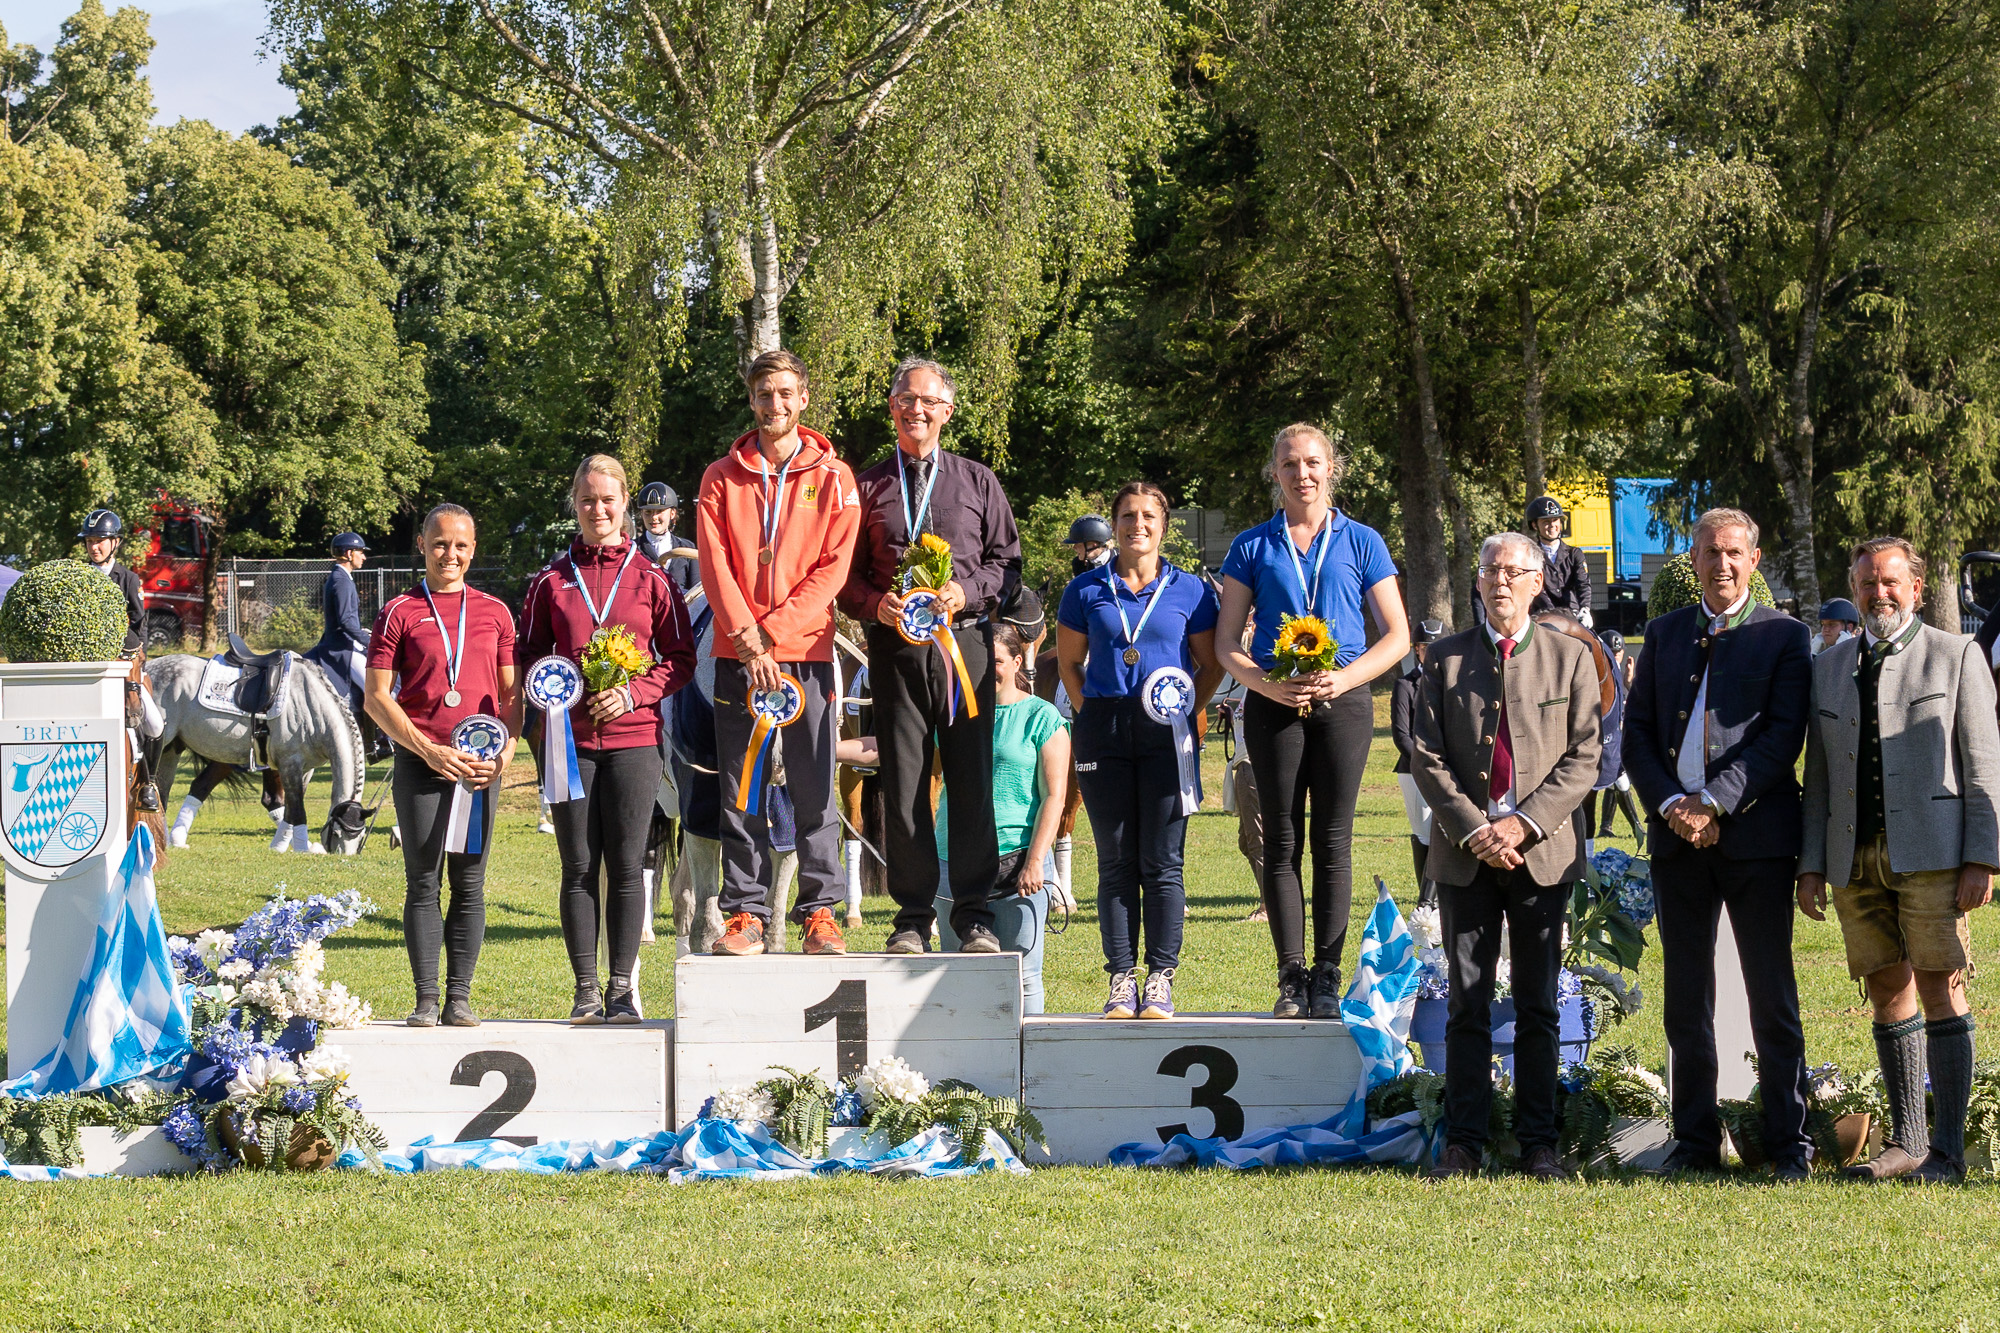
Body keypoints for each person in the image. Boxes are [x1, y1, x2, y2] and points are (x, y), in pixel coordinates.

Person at [1798, 536, 2000, 1183]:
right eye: (1866, 584)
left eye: (1890, 582)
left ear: (1914, 587)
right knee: (1886, 988)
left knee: (1940, 986)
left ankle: (1946, 1151)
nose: (1877, 593)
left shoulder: (1956, 655)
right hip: (1854, 859)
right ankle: (1906, 1142)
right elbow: (1820, 777)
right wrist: (1810, 864)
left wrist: (1982, 857)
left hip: (1936, 856)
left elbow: (1983, 764)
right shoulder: (1828, 665)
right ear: (1854, 590)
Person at [1624, 507, 1814, 1179]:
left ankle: (1789, 1144)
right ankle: (1695, 1142)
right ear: (1694, 560)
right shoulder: (1664, 633)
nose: (1723, 563)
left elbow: (1782, 736)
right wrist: (1674, 803)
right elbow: (1637, 732)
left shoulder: (1787, 638)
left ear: (1755, 559)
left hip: (1756, 840)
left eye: (1735, 552)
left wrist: (1715, 801)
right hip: (1678, 843)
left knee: (1772, 995)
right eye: (1710, 552)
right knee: (1686, 999)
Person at [1410, 532, 1603, 1179]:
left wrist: (1523, 824)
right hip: (1466, 857)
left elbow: (1584, 757)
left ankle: (1538, 1142)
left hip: (1540, 855)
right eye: (1490, 569)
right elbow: (1426, 755)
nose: (1499, 580)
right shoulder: (1444, 658)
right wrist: (1475, 827)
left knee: (1539, 1004)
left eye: (1513, 571)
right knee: (1466, 1002)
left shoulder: (1569, 658)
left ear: (1539, 579)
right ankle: (1463, 1140)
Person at [1215, 423, 1411, 1017]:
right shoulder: (1251, 546)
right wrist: (1266, 684)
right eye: (1289, 463)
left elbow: (1397, 635)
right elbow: (1227, 644)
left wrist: (1345, 679)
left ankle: (1326, 975)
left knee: (1332, 841)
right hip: (1274, 707)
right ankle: (1289, 977)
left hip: (1344, 701)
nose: (1302, 473)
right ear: (1274, 473)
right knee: (1280, 842)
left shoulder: (1362, 540)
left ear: (1332, 469)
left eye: (1313, 462)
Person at [837, 357, 1022, 954]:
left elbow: (1008, 565)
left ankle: (973, 915)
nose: (915, 409)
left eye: (927, 401)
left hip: (964, 647)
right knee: (903, 780)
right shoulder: (864, 487)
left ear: (947, 411)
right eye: (904, 399)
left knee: (971, 780)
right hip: (893, 648)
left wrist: (966, 591)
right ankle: (912, 917)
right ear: (892, 407)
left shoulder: (977, 481)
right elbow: (844, 578)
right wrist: (875, 603)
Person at [696, 348, 862, 958]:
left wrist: (771, 634)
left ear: (804, 398)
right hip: (738, 655)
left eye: (786, 393)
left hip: (807, 652)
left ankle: (820, 910)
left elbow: (833, 569)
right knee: (742, 786)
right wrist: (748, 639)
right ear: (752, 398)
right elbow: (714, 565)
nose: (776, 404)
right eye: (765, 393)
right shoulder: (720, 477)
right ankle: (746, 914)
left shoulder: (835, 477)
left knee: (816, 783)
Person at [522, 456, 697, 1023]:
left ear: (626, 504)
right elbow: (526, 658)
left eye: (608, 500)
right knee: (577, 865)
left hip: (634, 738)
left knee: (626, 864)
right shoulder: (551, 581)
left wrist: (634, 694)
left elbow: (680, 659)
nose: (598, 510)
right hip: (566, 742)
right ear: (575, 505)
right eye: (587, 500)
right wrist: (555, 694)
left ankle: (621, 988)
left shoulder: (652, 579)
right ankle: (585, 989)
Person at [1057, 482, 1223, 1020]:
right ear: (1114, 524)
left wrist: (1180, 710)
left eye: (1149, 515)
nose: (1138, 525)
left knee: (1163, 862)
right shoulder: (1085, 590)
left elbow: (1211, 662)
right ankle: (1121, 979)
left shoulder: (1192, 592)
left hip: (1166, 734)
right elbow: (1068, 664)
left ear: (1164, 525)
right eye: (1128, 515)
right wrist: (1094, 713)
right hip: (1103, 728)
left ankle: (1160, 979)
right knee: (1114, 861)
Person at [363, 505, 521, 1028]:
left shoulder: (496, 612)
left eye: (460, 546)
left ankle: (460, 998)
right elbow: (377, 698)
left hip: (477, 768)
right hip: (422, 763)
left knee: (470, 883)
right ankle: (426, 999)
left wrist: (505, 754)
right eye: (439, 544)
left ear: (473, 550)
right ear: (422, 544)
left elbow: (511, 694)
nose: (449, 554)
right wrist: (427, 749)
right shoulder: (398, 611)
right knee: (423, 880)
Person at [934, 623, 1069, 1013]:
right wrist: (826, 751)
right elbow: (894, 751)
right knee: (954, 972)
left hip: (1017, 865)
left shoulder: (1041, 716)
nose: (988, 668)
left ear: (1015, 662)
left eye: (996, 660)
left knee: (1023, 974)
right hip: (952, 860)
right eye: (981, 661)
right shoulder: (956, 713)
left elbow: (1054, 797)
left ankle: (1031, 1065)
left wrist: (1036, 862)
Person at [1391, 619, 1445, 905]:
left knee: (1445, 833)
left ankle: (1431, 902)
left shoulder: (1455, 682)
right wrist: (1426, 764)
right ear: (1417, 650)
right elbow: (1401, 733)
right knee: (1425, 835)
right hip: (1414, 770)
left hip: (1450, 769)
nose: (1430, 652)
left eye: (1436, 647)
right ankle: (1426, 902)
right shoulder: (1405, 685)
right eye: (1425, 647)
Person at [308, 532, 372, 724]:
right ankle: (382, 740)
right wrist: (370, 641)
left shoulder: (341, 578)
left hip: (347, 643)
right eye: (361, 552)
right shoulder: (341, 580)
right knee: (376, 689)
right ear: (349, 553)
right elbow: (346, 621)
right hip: (342, 649)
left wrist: (363, 633)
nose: (364, 557)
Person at [79, 508, 145, 656]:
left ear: (115, 542)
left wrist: (140, 662)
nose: (94, 547)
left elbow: (139, 624)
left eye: (99, 540)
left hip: (119, 654)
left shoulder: (129, 579)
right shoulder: (78, 576)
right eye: (89, 541)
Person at [1524, 495, 1591, 624]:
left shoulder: (1574, 553)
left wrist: (1585, 608)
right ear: (1535, 525)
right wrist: (1553, 613)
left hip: (1572, 614)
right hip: (1540, 616)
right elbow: (1537, 588)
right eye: (1546, 522)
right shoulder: (1530, 554)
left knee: (1597, 642)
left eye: (1555, 520)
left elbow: (1583, 583)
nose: (1552, 525)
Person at [636, 482, 699, 593]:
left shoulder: (688, 547)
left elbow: (696, 591)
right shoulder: (633, 549)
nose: (654, 517)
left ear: (672, 513)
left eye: (660, 511)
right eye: (648, 512)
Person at [1066, 514, 1114, 578]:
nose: (1074, 547)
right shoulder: (1079, 565)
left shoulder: (1121, 562)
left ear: (1093, 545)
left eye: (1079, 544)